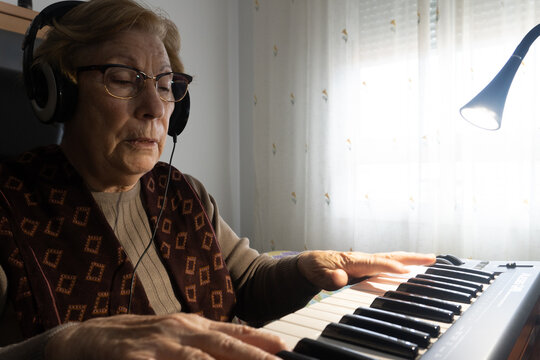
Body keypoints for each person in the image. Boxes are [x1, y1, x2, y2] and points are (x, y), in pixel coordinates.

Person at [0, 0, 436, 359]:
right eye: (122, 79)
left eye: (167, 84)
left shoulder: (184, 192)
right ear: (59, 94)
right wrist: (66, 346)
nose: (155, 106)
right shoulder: (7, 208)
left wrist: (306, 267)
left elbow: (248, 281)